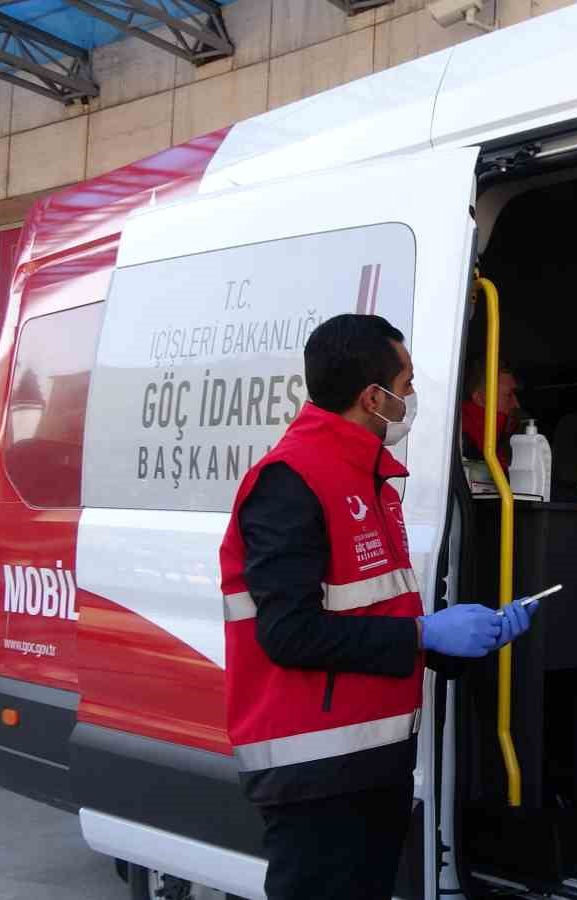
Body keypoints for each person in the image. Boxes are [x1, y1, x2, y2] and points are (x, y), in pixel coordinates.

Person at [219, 314, 540, 900]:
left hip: (371, 764)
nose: (412, 397)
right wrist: (424, 634)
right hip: (313, 774)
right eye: (407, 383)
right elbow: (289, 634)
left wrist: (463, 640)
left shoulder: (369, 482)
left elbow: (379, 620)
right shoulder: (289, 482)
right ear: (373, 397)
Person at [462, 356, 577, 505]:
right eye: (508, 395)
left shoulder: (500, 441)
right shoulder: (464, 443)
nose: (516, 405)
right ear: (480, 399)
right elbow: (519, 490)